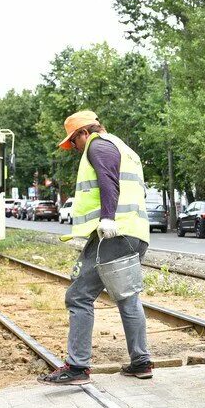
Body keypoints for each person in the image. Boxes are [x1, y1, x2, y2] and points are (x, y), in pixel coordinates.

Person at [38, 110, 152, 385]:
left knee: (79, 295)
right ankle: (141, 362)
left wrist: (108, 218)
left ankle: (77, 367)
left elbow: (108, 180)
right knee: (127, 296)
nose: (74, 149)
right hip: (135, 232)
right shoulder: (127, 150)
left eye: (73, 142)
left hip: (113, 234)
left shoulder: (97, 146)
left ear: (83, 133)